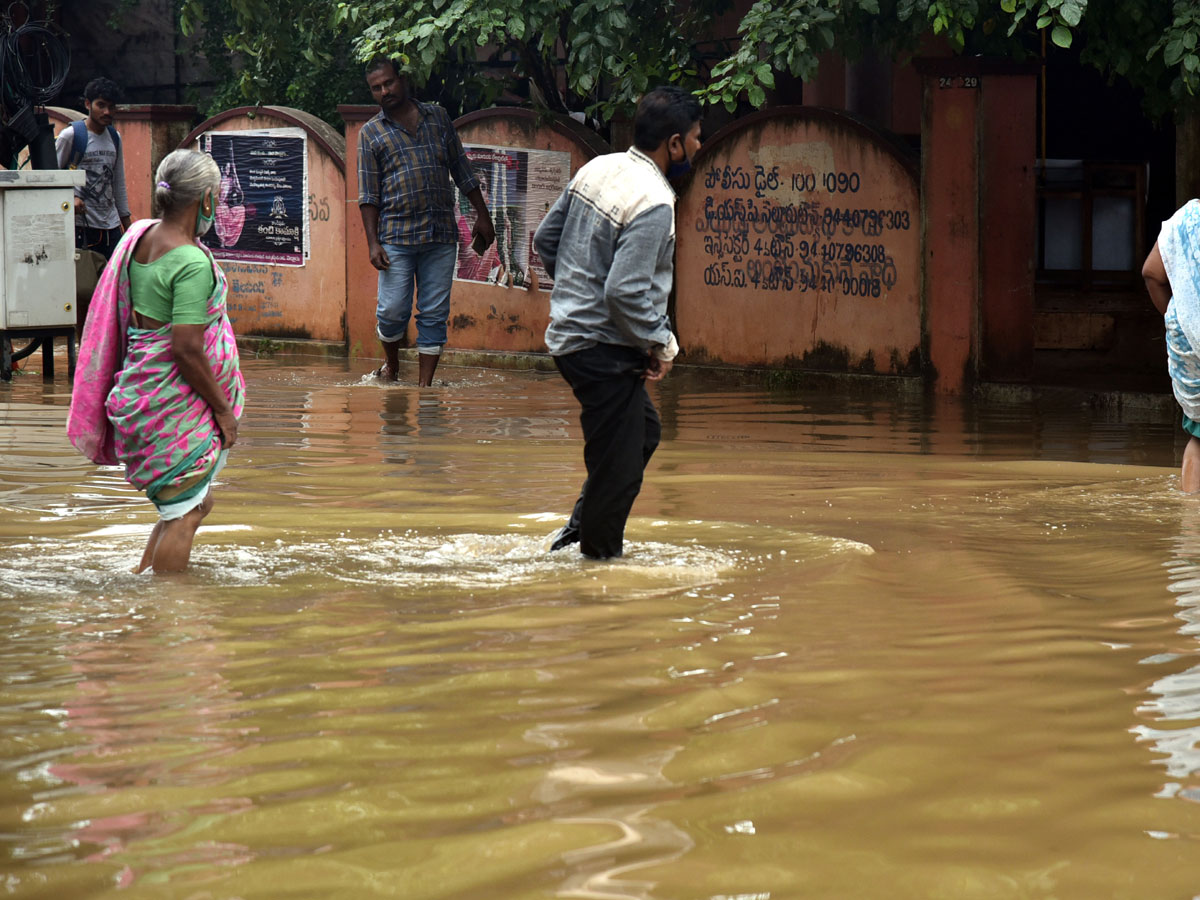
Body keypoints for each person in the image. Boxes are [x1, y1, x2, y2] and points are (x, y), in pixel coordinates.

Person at [533, 86, 702, 559]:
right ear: (673, 144)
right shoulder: (654, 200)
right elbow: (625, 292)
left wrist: (573, 293)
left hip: (572, 338)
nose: (697, 148)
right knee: (621, 468)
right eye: (694, 138)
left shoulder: (598, 168)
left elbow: (546, 240)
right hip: (601, 349)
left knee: (642, 434)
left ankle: (576, 533)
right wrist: (663, 343)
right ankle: (597, 565)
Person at [66, 150, 246, 573]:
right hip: (169, 406)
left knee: (189, 503)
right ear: (204, 201)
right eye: (216, 198)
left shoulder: (140, 239)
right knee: (187, 513)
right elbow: (185, 347)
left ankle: (141, 583)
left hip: (141, 396)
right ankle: (170, 611)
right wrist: (224, 411)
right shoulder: (189, 260)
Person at [357, 57, 495, 386]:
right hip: (396, 238)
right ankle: (392, 367)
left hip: (440, 236)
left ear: (402, 80)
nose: (384, 91)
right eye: (376, 88)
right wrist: (372, 243)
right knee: (392, 312)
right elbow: (368, 195)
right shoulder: (371, 133)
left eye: (388, 83)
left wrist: (483, 215)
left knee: (434, 314)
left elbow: (461, 169)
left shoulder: (437, 117)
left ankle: (425, 390)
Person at [1145, 200, 1200, 492]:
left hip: (1192, 349)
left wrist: (1182, 320)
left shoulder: (1188, 220)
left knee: (1199, 435)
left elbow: (1151, 273)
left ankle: (1190, 522)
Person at [56, 77, 132, 260]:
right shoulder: (71, 135)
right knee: (84, 284)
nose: (107, 112)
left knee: (112, 283)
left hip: (111, 227)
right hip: (81, 227)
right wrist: (71, 197)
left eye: (111, 107)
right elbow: (50, 178)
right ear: (88, 104)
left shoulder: (115, 137)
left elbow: (118, 182)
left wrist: (128, 226)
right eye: (101, 105)